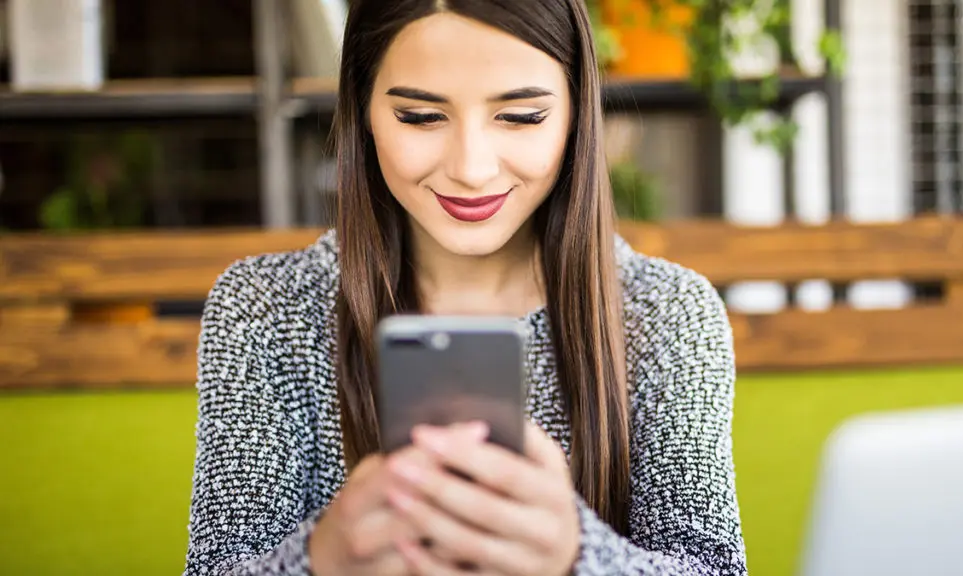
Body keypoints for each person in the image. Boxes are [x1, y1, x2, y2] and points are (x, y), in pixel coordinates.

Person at [183, 0, 747, 574]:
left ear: (577, 113)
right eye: (422, 118)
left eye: (522, 116)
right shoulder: (267, 308)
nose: (472, 170)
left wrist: (577, 554)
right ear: (363, 112)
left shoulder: (667, 311)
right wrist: (319, 558)